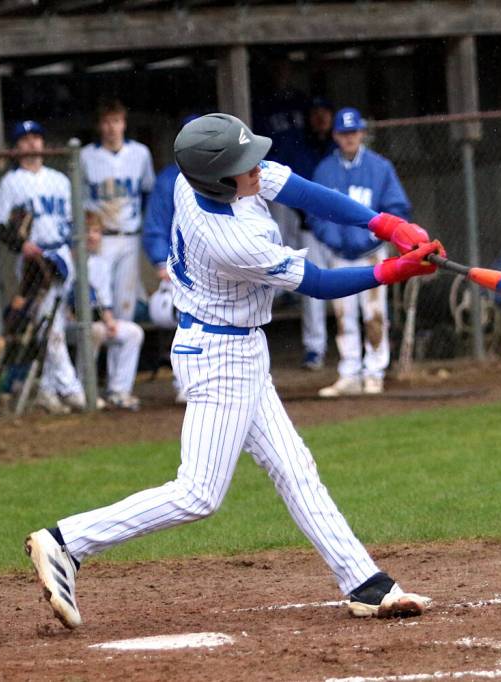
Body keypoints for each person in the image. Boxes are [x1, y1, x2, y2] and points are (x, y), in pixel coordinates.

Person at [25, 113, 442, 629]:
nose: (256, 169)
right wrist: (394, 269)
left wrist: (386, 225)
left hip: (237, 347)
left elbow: (304, 191)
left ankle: (365, 583)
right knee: (198, 493)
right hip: (220, 357)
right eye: (245, 165)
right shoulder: (231, 240)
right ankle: (66, 542)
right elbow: (318, 283)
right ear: (220, 180)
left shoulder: (198, 177)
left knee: (295, 469)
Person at [310, 107, 412, 397]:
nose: (349, 138)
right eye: (343, 133)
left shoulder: (380, 167)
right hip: (339, 253)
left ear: (362, 133)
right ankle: (350, 371)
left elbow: (397, 208)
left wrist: (374, 234)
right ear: (335, 136)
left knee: (374, 313)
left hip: (373, 253)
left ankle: (374, 372)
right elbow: (315, 214)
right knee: (344, 316)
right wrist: (333, 237)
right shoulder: (325, 170)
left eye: (354, 132)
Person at [0, 120, 87, 414]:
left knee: (55, 321)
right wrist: (21, 245)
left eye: (36, 137)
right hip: (34, 260)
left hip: (61, 252)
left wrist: (72, 251)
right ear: (17, 147)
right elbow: (3, 227)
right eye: (25, 139)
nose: (32, 143)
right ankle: (72, 389)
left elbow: (75, 222)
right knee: (49, 324)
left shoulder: (59, 179)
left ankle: (47, 391)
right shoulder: (10, 182)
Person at [262, 95, 337, 371]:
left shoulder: (337, 148)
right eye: (315, 112)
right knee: (312, 293)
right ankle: (315, 349)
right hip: (310, 228)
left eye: (325, 112)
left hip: (342, 233)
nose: (320, 118)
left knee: (354, 294)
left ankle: (359, 351)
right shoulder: (297, 145)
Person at [143, 114, 201, 404]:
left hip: (218, 265)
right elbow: (155, 227)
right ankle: (185, 382)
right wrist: (160, 263)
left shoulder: (227, 173)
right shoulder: (169, 179)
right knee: (186, 325)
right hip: (183, 267)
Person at [80, 99, 155, 323]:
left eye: (116, 121)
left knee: (126, 306)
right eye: (106, 122)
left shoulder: (140, 153)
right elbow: (80, 202)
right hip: (100, 239)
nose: (112, 128)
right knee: (100, 305)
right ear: (99, 126)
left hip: (129, 236)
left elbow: (147, 191)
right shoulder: (86, 156)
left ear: (124, 123)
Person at [79, 211, 145, 410]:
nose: (92, 236)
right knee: (95, 331)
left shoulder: (100, 263)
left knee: (133, 332)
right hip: (70, 322)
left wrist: (110, 321)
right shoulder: (70, 259)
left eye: (97, 231)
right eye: (87, 232)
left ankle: (119, 391)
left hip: (94, 321)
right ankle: (82, 390)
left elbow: (104, 303)